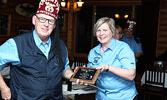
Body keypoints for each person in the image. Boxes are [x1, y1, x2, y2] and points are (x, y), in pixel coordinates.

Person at [0, 0, 74, 99]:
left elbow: (64, 69)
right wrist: (4, 88)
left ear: (54, 25)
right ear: (34, 20)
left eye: (50, 21)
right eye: (42, 19)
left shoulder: (60, 45)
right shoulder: (16, 44)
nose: (46, 24)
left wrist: (76, 76)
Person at [87, 17, 138, 100]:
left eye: (105, 30)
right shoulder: (93, 52)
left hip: (123, 97)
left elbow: (131, 75)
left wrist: (108, 68)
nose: (101, 33)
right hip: (101, 97)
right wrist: (81, 76)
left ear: (112, 32)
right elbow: (91, 74)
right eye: (98, 30)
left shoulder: (123, 48)